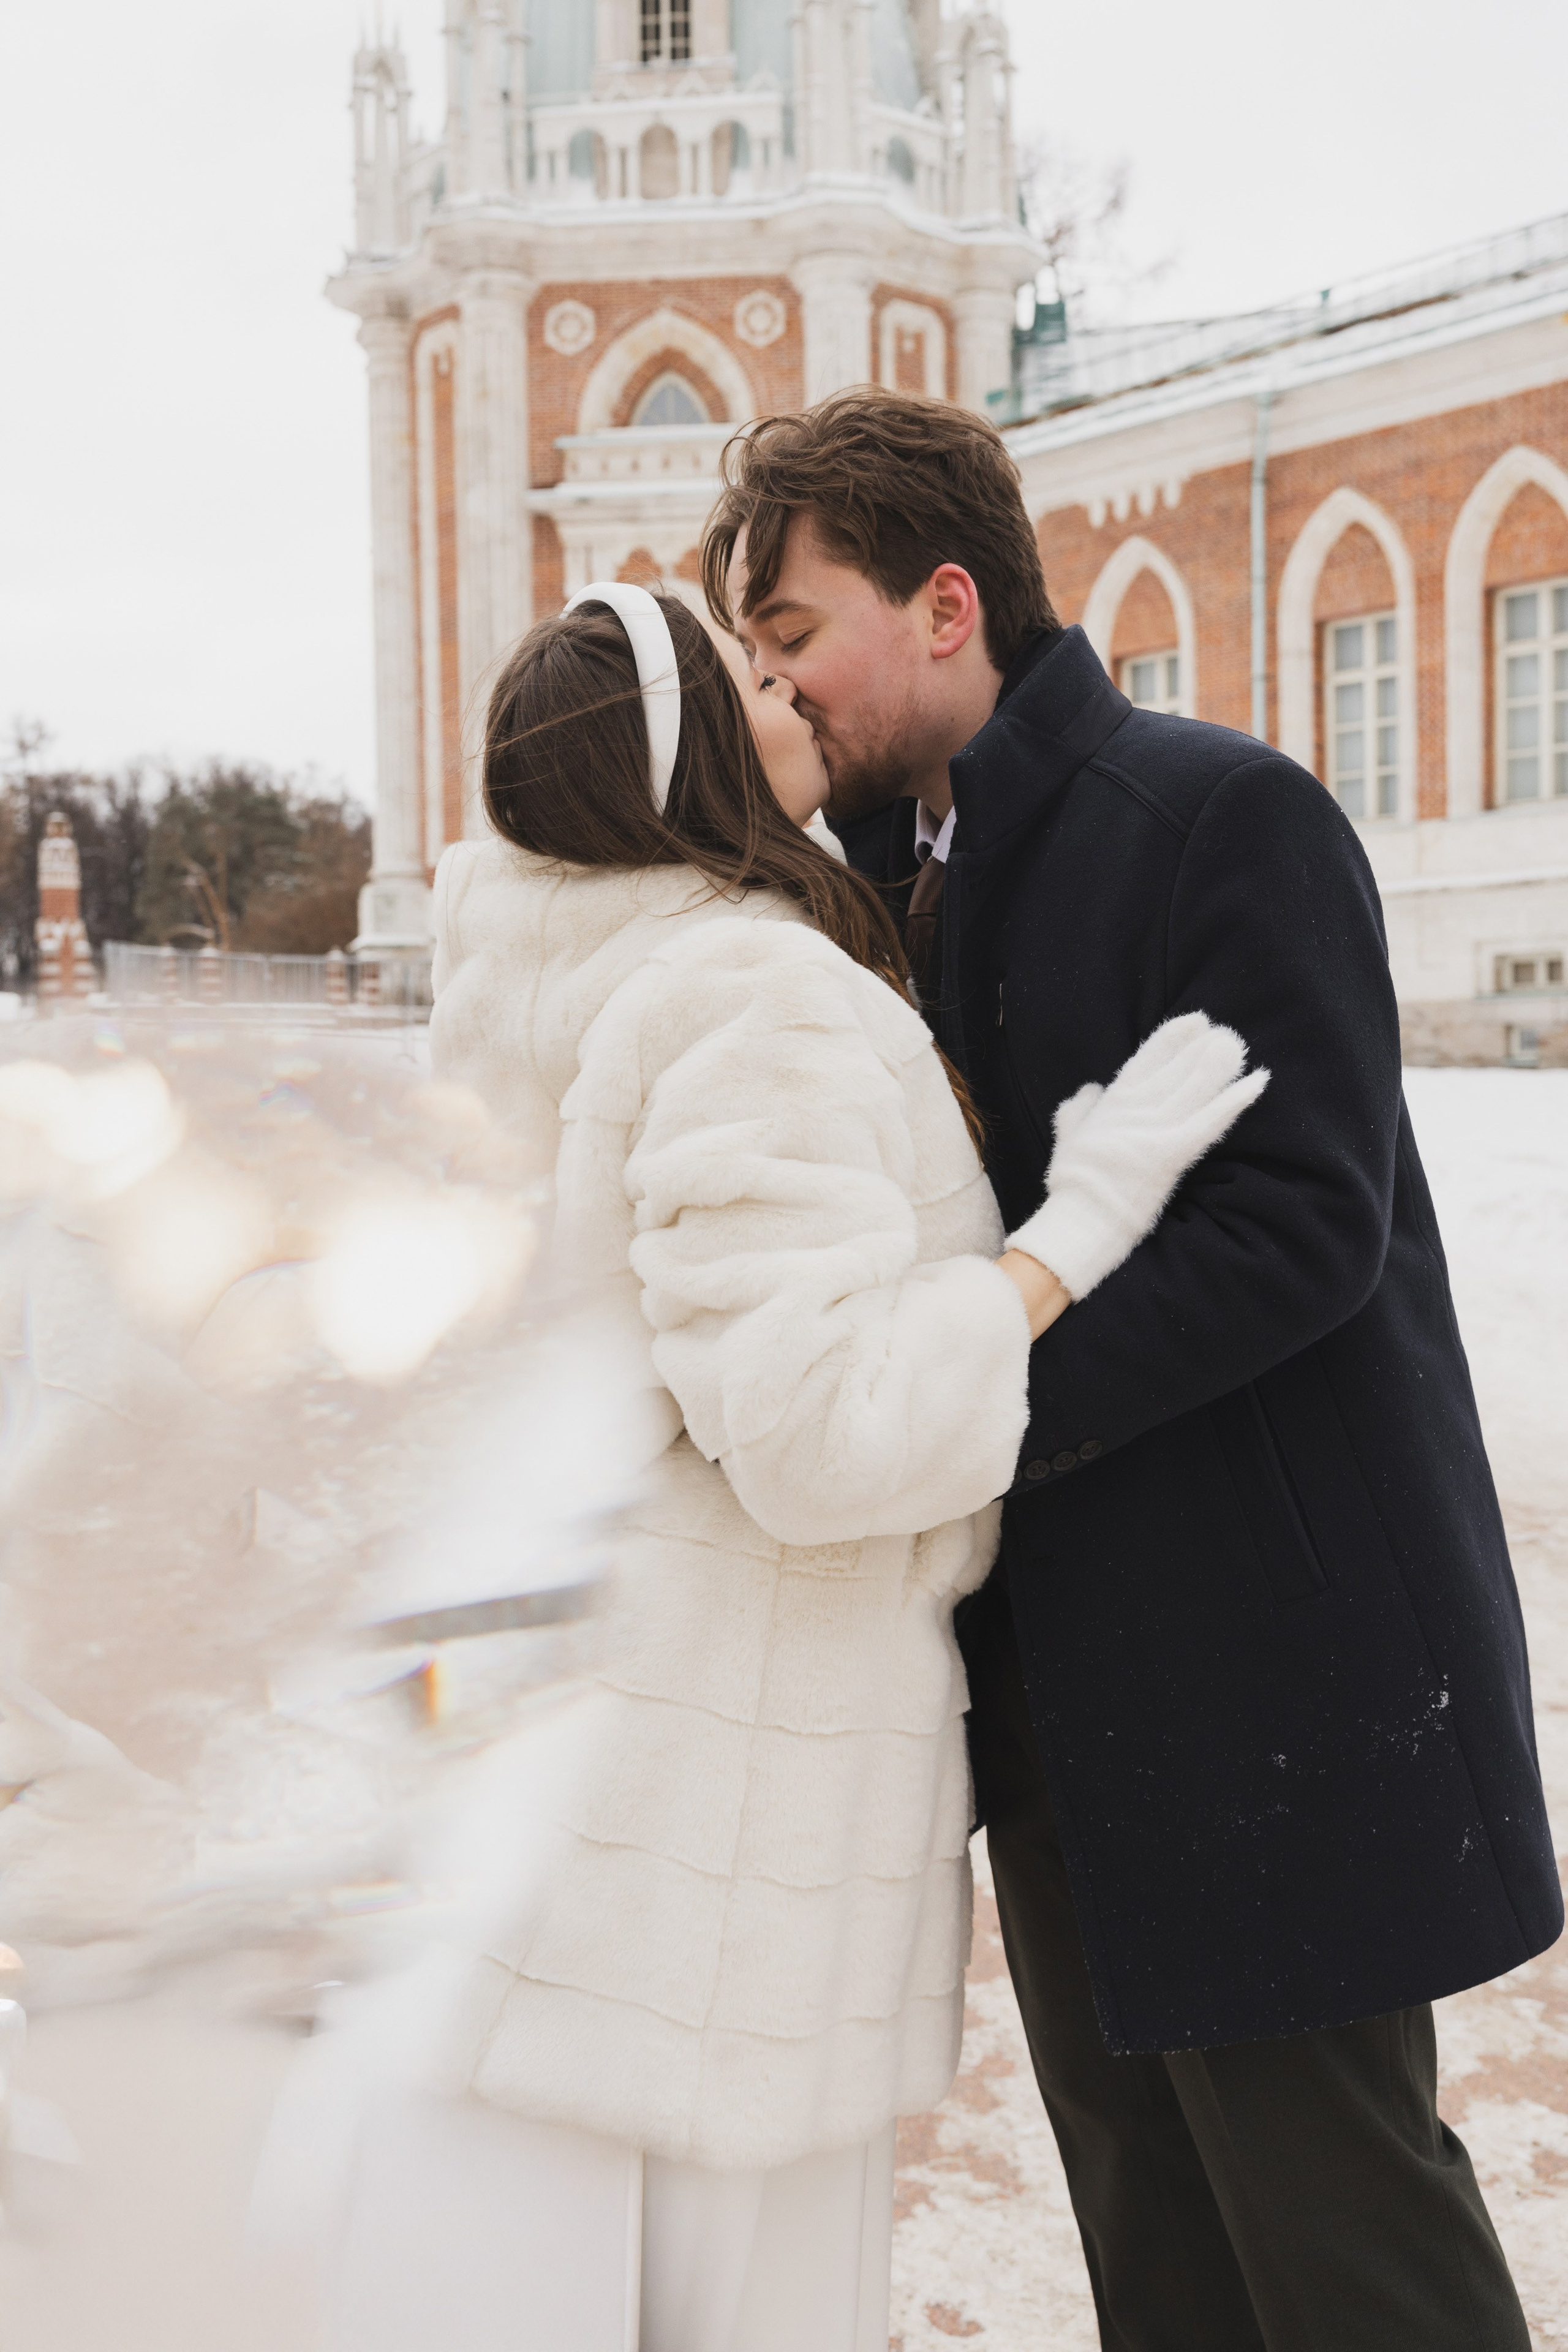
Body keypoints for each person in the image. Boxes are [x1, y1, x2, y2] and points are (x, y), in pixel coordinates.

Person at [699, 385, 1563, 2352]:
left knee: (1346, 2245)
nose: (780, 686)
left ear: (939, 605)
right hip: (1067, 1693)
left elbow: (1298, 1230)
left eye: (791, 637)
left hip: (1276, 1668)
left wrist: (975, 1419)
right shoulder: (885, 883)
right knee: (1156, 2243)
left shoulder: (1216, 814)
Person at [322, 581, 1264, 2352]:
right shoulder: (751, 993)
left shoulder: (527, 983)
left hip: (565, 1786)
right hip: (721, 1837)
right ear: (677, 760)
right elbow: (829, 1433)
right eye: (752, 676)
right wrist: (1075, 1234)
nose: (795, 694)